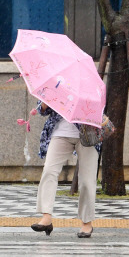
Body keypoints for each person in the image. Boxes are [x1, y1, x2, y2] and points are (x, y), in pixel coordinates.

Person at [31, 101, 99, 238]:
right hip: (60, 133)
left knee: (87, 180)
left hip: (87, 134)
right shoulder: (57, 82)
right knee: (49, 171)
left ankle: (87, 223)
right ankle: (46, 216)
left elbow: (99, 110)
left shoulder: (90, 84)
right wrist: (45, 103)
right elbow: (42, 110)